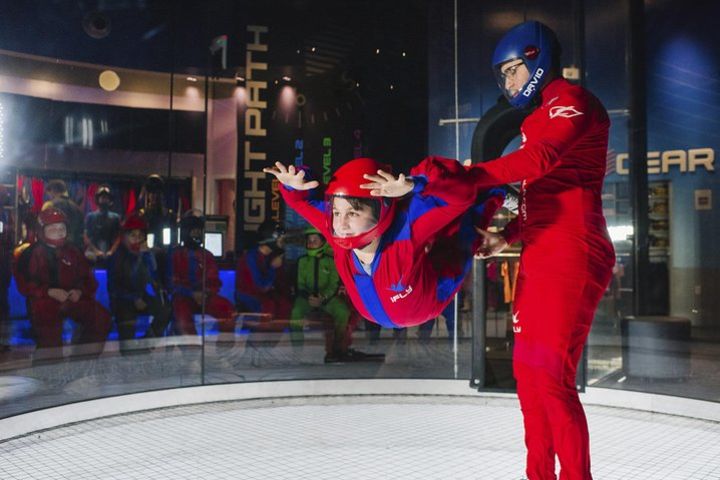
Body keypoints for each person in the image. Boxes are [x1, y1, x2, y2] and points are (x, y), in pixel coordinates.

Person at [472, 21, 616, 480]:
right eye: (504, 76)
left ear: (536, 58)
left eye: (512, 71)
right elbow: (542, 192)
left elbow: (541, 162)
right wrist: (505, 236)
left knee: (551, 384)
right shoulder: (537, 118)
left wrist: (468, 175)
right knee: (531, 383)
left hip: (571, 251)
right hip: (542, 252)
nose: (509, 83)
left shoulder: (571, 101)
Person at [263, 156, 504, 329]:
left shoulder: (405, 230)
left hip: (428, 302)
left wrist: (416, 183)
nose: (341, 223)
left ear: (380, 210)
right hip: (376, 313)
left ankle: (494, 193)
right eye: (336, 212)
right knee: (456, 234)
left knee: (463, 238)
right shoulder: (338, 233)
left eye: (353, 213)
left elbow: (458, 201)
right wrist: (295, 184)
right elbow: (301, 202)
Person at [13, 207, 111, 363]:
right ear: (42, 231)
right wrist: (48, 291)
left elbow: (88, 279)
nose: (58, 232)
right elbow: (24, 283)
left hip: (71, 298)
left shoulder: (73, 251)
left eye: (61, 228)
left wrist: (79, 291)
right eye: (52, 229)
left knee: (101, 317)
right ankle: (49, 370)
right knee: (49, 337)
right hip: (44, 301)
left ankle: (82, 362)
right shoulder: (31, 253)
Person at [290, 227, 381, 363]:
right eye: (309, 240)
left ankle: (338, 347)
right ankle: (297, 349)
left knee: (342, 311)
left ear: (323, 242)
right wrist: (307, 296)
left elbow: (333, 283)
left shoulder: (331, 260)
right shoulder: (302, 261)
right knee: (296, 312)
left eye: (315, 240)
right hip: (306, 298)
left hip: (326, 298)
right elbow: (299, 283)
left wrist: (324, 297)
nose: (311, 243)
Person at [107, 215, 171, 354]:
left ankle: (147, 343)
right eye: (132, 235)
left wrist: (146, 256)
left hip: (142, 295)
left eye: (140, 235)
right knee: (127, 340)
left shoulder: (149, 254)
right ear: (125, 237)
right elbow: (115, 286)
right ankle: (129, 350)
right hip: (123, 299)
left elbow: (154, 277)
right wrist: (134, 298)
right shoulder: (118, 256)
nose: (137, 239)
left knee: (165, 310)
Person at [168, 212, 236, 342]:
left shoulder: (207, 255)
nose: (196, 235)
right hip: (183, 297)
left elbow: (214, 280)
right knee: (182, 317)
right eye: (193, 232)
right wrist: (191, 293)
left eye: (199, 232)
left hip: (206, 297)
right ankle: (192, 349)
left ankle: (224, 348)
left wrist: (206, 293)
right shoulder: (175, 254)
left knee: (227, 309)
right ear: (185, 233)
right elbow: (171, 283)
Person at [234, 219, 292, 332]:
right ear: (270, 237)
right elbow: (261, 286)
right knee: (268, 307)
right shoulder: (251, 257)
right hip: (249, 296)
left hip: (265, 295)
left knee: (285, 304)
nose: (283, 241)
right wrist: (273, 268)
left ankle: (272, 343)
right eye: (280, 237)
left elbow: (280, 283)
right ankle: (261, 341)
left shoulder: (273, 255)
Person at [84, 184, 121, 264]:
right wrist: (95, 250)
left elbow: (119, 236)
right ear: (98, 199)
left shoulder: (115, 217)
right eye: (102, 197)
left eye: (106, 198)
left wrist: (112, 251)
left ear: (110, 200)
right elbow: (86, 235)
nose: (104, 200)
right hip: (94, 251)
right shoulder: (91, 216)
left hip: (110, 252)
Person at [42, 179, 84, 249]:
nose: (49, 196)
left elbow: (43, 228)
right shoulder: (77, 208)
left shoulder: (50, 205)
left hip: (55, 248)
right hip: (74, 248)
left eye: (48, 194)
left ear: (52, 191)